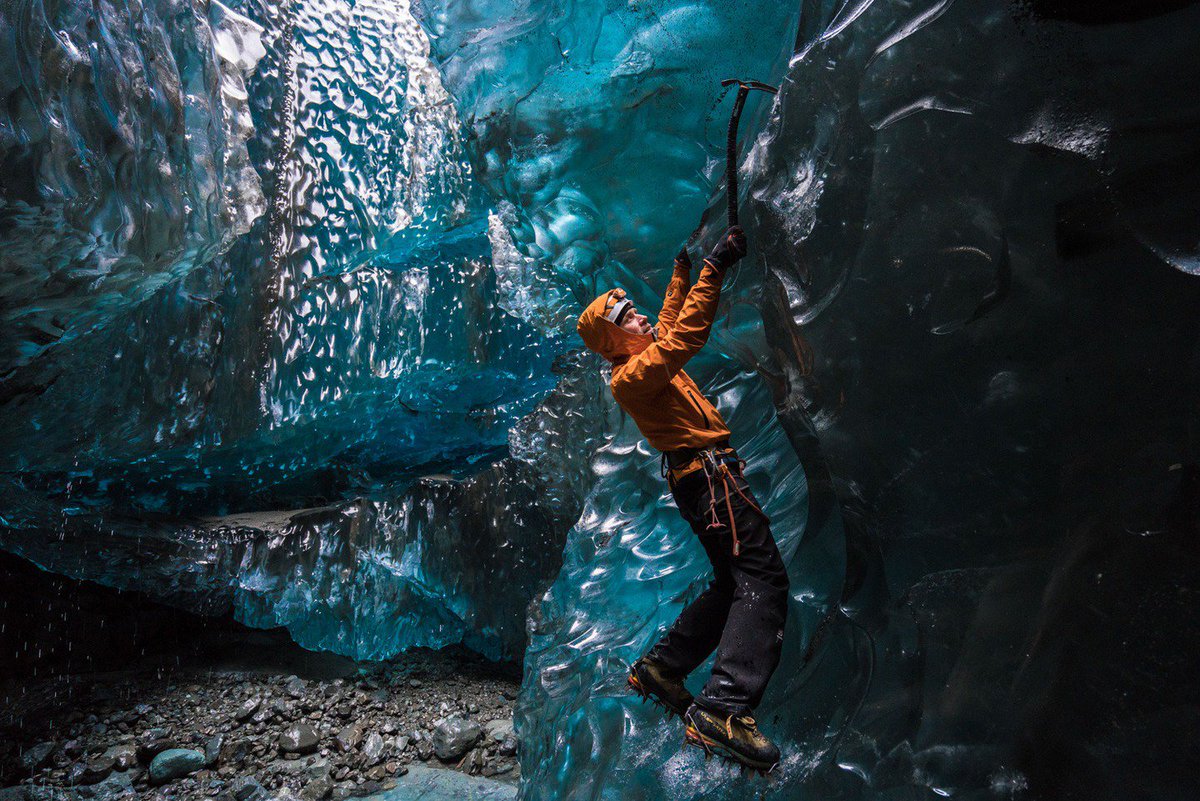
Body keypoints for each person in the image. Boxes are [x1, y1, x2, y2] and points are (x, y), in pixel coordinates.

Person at [574, 226, 789, 773]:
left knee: (731, 581)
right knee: (762, 578)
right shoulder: (632, 377)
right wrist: (714, 268)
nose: (640, 317)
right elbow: (681, 339)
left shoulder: (641, 361)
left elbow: (666, 327)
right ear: (614, 341)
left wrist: (681, 273)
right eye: (628, 320)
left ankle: (664, 668)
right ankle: (724, 706)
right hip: (713, 481)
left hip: (705, 479)